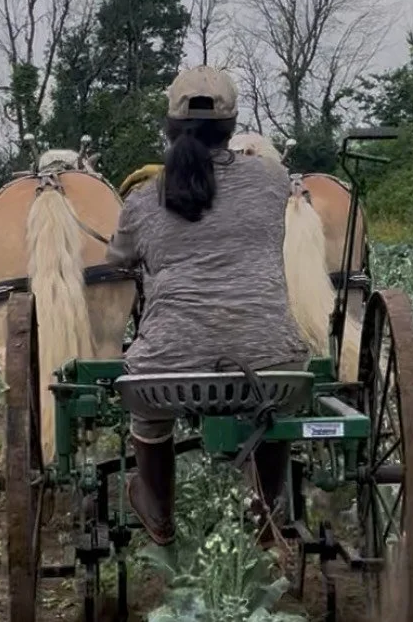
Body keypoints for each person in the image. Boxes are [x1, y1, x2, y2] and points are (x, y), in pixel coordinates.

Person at [105, 65, 306, 544]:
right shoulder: (273, 180)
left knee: (147, 402)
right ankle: (267, 511)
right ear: (232, 126)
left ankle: (158, 511)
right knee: (273, 404)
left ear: (169, 127)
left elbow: (117, 259)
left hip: (167, 371)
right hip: (272, 362)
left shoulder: (141, 198)